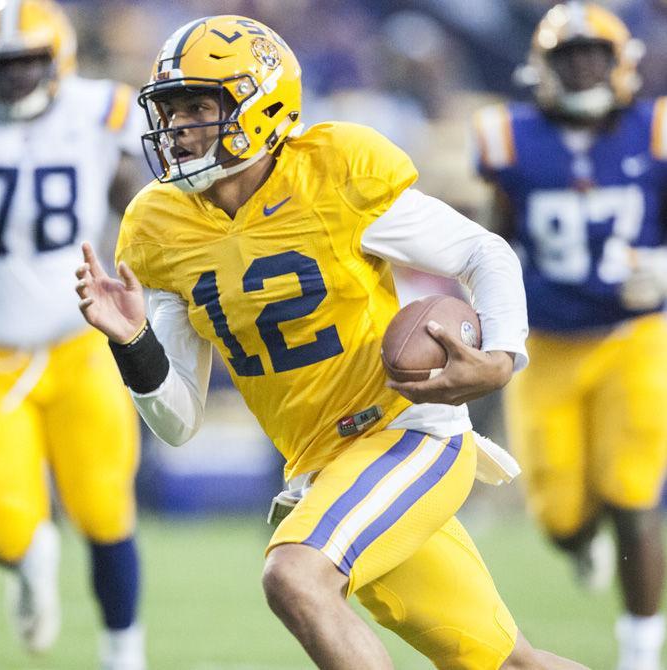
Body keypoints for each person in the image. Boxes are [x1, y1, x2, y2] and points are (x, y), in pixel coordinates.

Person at [75, 14, 588, 670]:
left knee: (295, 574)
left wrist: (501, 356)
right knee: (507, 662)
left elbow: (483, 253)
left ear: (262, 105)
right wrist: (133, 341)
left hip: (407, 433)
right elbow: (178, 421)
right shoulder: (156, 224)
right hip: (322, 469)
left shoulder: (335, 168)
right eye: (169, 111)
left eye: (199, 106)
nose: (176, 128)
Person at [473, 3, 667, 670]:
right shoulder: (508, 138)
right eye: (568, 56)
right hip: (546, 342)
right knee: (558, 514)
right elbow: (490, 241)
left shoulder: (658, 130)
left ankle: (642, 652)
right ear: (542, 67)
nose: (582, 66)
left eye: (594, 54)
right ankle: (580, 542)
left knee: (633, 492)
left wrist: (659, 268)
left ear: (621, 66)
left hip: (632, 338)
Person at [0, 1, 147, 668]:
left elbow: (138, 197)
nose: (15, 79)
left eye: (27, 62)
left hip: (78, 343)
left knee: (104, 505)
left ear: (56, 58)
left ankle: (124, 654)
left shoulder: (99, 111)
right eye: (3, 66)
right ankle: (30, 560)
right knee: (10, 521)